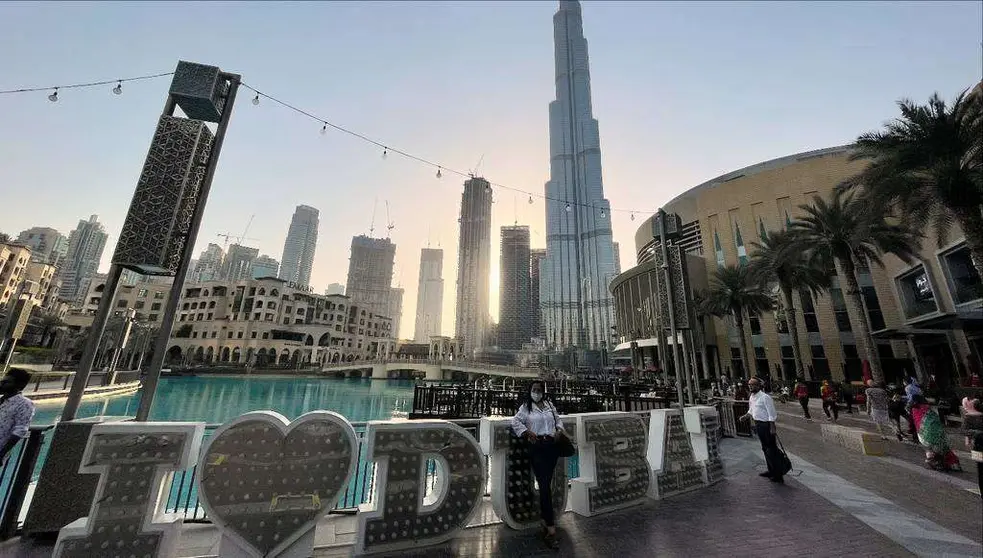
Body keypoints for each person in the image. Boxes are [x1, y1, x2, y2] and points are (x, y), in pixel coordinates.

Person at [511, 380, 565, 549]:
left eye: (539, 390)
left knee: (546, 484)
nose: (537, 392)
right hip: (537, 448)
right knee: (544, 486)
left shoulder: (549, 404)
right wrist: (527, 432)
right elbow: (515, 422)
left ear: (543, 391)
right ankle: (550, 528)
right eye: (534, 390)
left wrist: (559, 431)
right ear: (530, 391)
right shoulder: (525, 407)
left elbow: (558, 421)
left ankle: (546, 520)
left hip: (552, 447)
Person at [740, 377, 783, 482]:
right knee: (765, 448)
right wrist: (746, 416)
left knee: (771, 449)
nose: (750, 386)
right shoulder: (752, 397)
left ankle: (778, 475)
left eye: (753, 384)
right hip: (758, 424)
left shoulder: (765, 397)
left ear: (758, 386)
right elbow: (752, 409)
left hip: (766, 425)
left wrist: (772, 426)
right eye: (749, 384)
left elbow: (771, 413)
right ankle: (770, 470)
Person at [909, 395, 961, 471]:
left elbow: (912, 421)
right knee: (942, 448)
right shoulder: (927, 408)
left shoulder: (914, 410)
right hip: (937, 433)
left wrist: (911, 430)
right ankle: (950, 464)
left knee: (929, 449)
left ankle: (936, 463)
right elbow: (936, 419)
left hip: (923, 434)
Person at [0, 368, 36, 464]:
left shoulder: (25, 404)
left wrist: (2, 453)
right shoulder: (1, 400)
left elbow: (20, 430)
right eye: (2, 381)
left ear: (19, 385)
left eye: (6, 382)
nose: (1, 384)